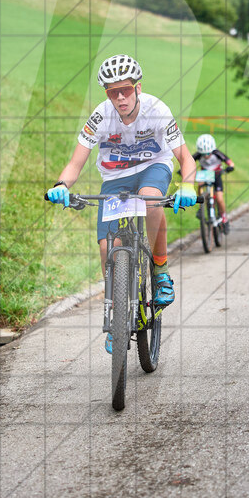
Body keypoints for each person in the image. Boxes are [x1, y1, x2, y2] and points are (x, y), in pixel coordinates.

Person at [46, 54, 197, 350]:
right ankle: (116, 315)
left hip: (153, 166)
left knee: (152, 201)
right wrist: (61, 185)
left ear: (138, 88)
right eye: (112, 92)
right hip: (115, 176)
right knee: (107, 247)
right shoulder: (101, 116)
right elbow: (75, 163)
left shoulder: (157, 110)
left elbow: (185, 157)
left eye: (125, 89)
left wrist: (188, 185)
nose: (120, 97)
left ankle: (161, 270)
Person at [193, 133, 235, 233]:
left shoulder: (217, 153)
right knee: (200, 184)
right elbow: (189, 161)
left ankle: (224, 218)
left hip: (216, 175)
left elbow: (229, 162)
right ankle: (201, 208)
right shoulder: (198, 154)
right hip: (205, 174)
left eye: (208, 153)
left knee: (220, 198)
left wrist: (230, 167)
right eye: (203, 154)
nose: (206, 156)